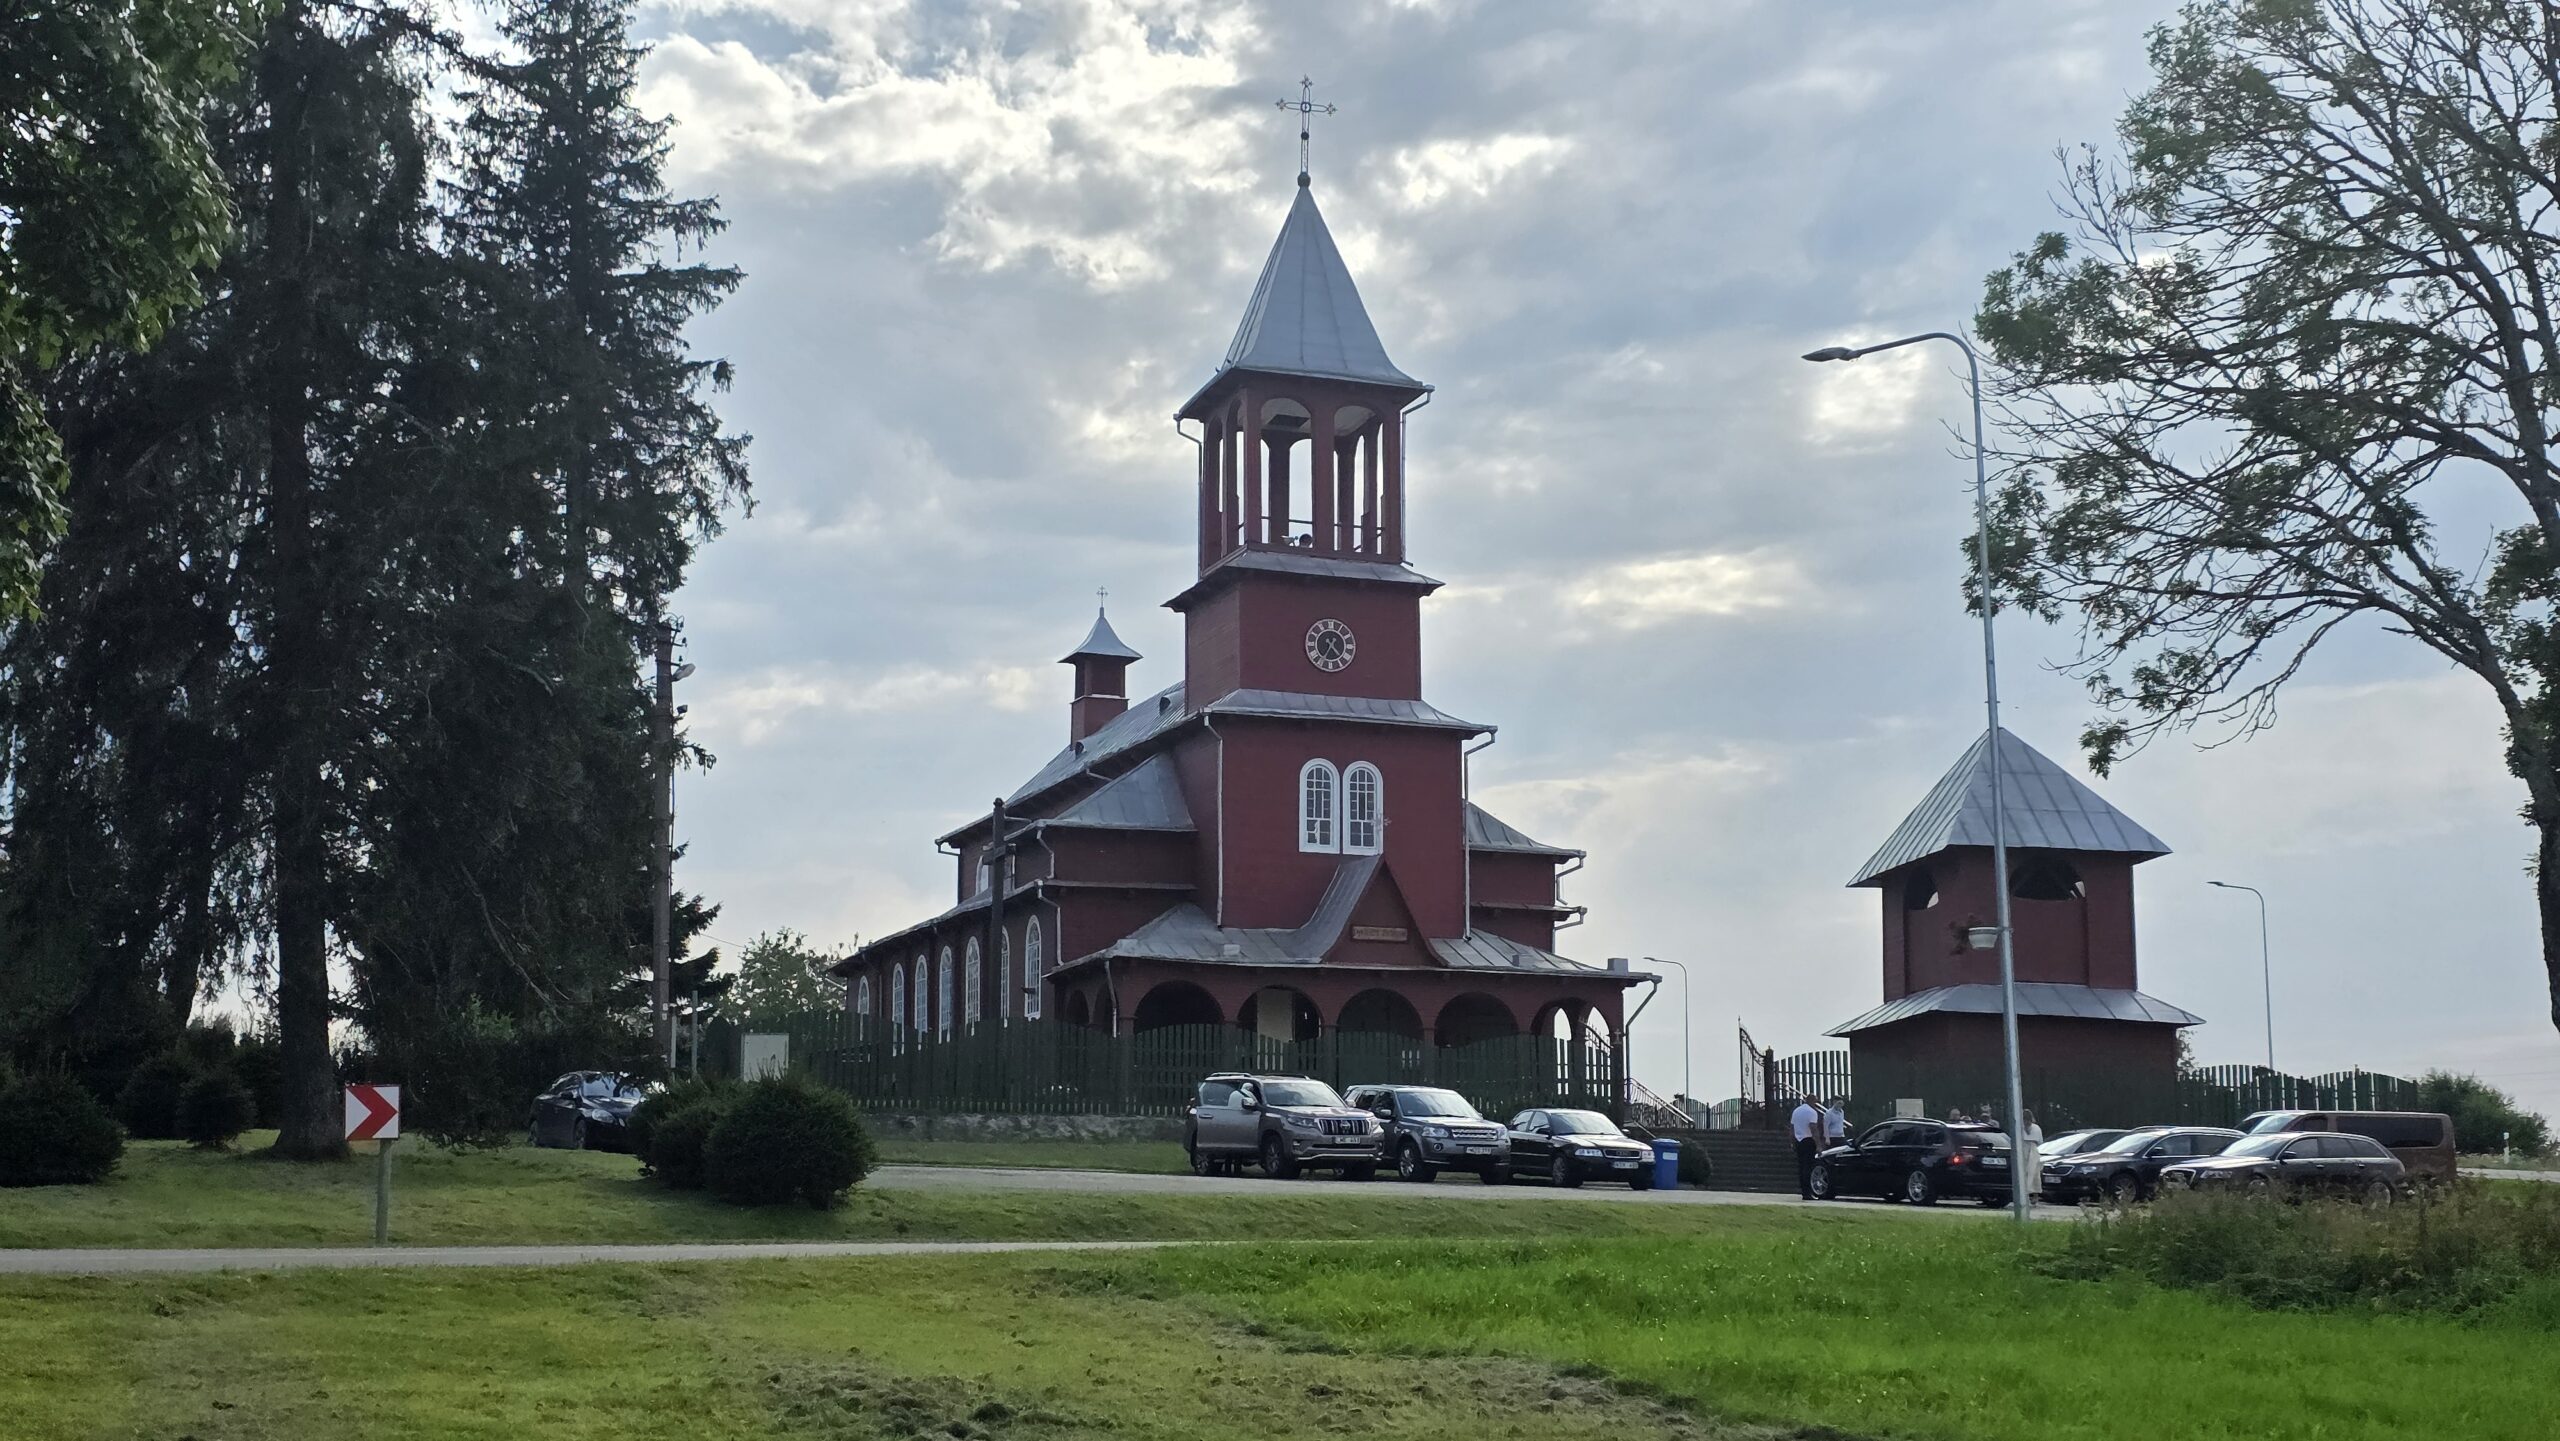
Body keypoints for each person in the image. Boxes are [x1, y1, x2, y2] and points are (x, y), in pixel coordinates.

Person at [1790, 1093, 1822, 1199]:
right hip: (1808, 1140)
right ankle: (1808, 1192)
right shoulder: (1812, 1112)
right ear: (1812, 1101)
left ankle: (1804, 1191)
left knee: (1801, 1166)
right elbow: (1813, 1129)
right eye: (1816, 1101)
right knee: (1808, 1167)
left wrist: (1792, 1142)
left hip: (1798, 1140)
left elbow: (1792, 1128)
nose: (1816, 1104)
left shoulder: (1796, 1111)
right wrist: (1818, 1145)